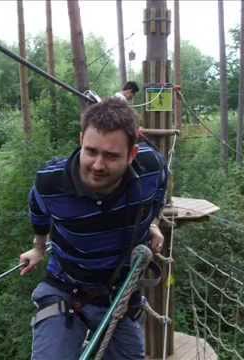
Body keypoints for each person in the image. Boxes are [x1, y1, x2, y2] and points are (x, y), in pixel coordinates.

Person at [20, 98, 168, 360]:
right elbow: (38, 212)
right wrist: (38, 247)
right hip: (65, 288)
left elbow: (157, 198)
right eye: (91, 151)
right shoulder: (51, 182)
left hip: (118, 294)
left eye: (111, 156)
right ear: (80, 141)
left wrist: (152, 224)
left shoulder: (151, 169)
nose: (98, 165)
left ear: (132, 154)